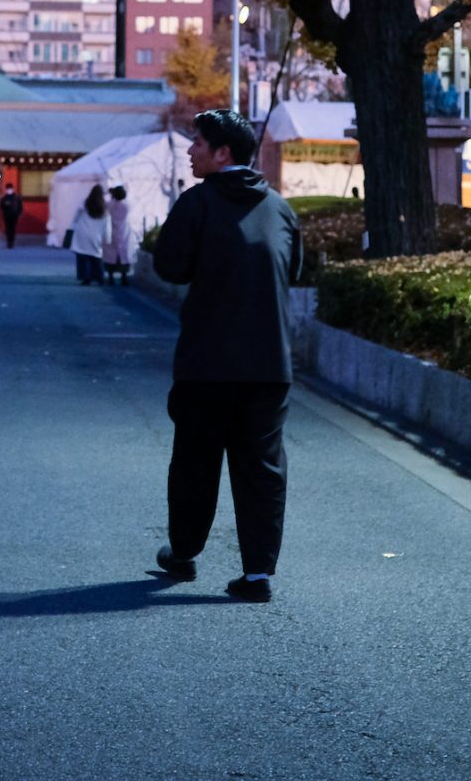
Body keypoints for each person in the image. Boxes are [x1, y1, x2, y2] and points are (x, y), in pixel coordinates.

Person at [151, 109, 302, 604]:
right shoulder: (280, 209)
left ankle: (184, 553)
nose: (190, 150)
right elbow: (294, 270)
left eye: (198, 143)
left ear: (222, 153)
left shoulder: (197, 203)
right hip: (269, 363)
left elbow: (170, 266)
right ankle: (257, 574)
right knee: (263, 467)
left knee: (195, 461)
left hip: (207, 361)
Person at [68, 184, 109, 285]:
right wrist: (107, 238)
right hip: (97, 235)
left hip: (82, 233)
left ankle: (86, 278)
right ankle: (100, 278)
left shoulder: (84, 203)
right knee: (97, 257)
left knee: (83, 257)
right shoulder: (104, 208)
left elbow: (76, 217)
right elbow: (107, 225)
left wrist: (72, 228)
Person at [104, 185, 132, 286]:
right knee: (124, 255)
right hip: (124, 231)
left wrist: (110, 194)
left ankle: (111, 277)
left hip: (112, 230)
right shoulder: (127, 205)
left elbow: (106, 205)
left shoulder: (110, 204)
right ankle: (124, 277)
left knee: (111, 256)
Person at [0, 183, 24, 249]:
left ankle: (11, 242)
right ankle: (9, 242)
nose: (9, 190)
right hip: (7, 216)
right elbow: (1, 206)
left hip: (14, 216)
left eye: (10, 189)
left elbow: (20, 207)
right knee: (8, 229)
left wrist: (19, 214)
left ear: (12, 189)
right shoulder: (4, 198)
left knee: (12, 229)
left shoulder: (16, 197)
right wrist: (5, 205)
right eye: (8, 189)